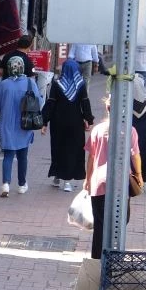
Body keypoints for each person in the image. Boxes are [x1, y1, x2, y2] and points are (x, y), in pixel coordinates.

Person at [84, 102, 143, 259]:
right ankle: (114, 260)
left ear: (108, 109)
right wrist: (139, 174)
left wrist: (87, 178)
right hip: (120, 184)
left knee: (100, 224)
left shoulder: (97, 129)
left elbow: (91, 157)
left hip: (98, 182)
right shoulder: (130, 130)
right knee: (121, 221)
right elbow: (135, 155)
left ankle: (97, 261)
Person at [40, 58, 95, 192]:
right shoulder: (80, 85)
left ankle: (57, 176)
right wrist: (89, 120)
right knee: (72, 150)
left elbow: (50, 103)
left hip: (58, 123)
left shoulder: (57, 84)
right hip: (75, 123)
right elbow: (85, 103)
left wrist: (44, 122)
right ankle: (67, 182)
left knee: (58, 148)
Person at [0, 56, 43, 197]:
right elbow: (39, 102)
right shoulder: (30, 83)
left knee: (8, 156)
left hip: (7, 124)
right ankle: (22, 185)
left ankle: (5, 184)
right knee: (23, 156)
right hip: (24, 123)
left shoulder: (3, 84)